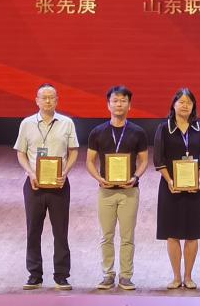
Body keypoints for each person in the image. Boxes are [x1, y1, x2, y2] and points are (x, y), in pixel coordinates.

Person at [13, 83, 79, 290]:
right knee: (33, 230)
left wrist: (65, 172)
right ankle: (35, 275)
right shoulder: (27, 123)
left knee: (61, 232)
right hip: (34, 185)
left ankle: (61, 275)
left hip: (59, 185)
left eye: (52, 97)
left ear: (57, 100)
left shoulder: (67, 123)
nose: (48, 101)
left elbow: (74, 151)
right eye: (44, 97)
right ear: (37, 100)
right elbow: (21, 153)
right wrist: (30, 173)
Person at [85, 86, 149, 290]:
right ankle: (107, 274)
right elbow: (89, 161)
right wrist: (99, 178)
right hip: (105, 192)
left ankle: (126, 276)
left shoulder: (138, 132)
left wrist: (135, 177)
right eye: (115, 100)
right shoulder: (97, 132)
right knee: (107, 236)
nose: (119, 104)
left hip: (130, 191)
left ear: (129, 105)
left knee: (128, 237)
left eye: (123, 100)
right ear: (108, 104)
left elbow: (144, 160)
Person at [153, 88, 200, 290]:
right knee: (172, 233)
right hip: (170, 188)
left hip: (196, 188)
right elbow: (159, 158)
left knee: (192, 233)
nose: (185, 105)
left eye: (189, 102)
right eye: (181, 102)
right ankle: (176, 277)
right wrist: (169, 180)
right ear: (174, 105)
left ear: (193, 106)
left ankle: (188, 276)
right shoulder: (164, 128)